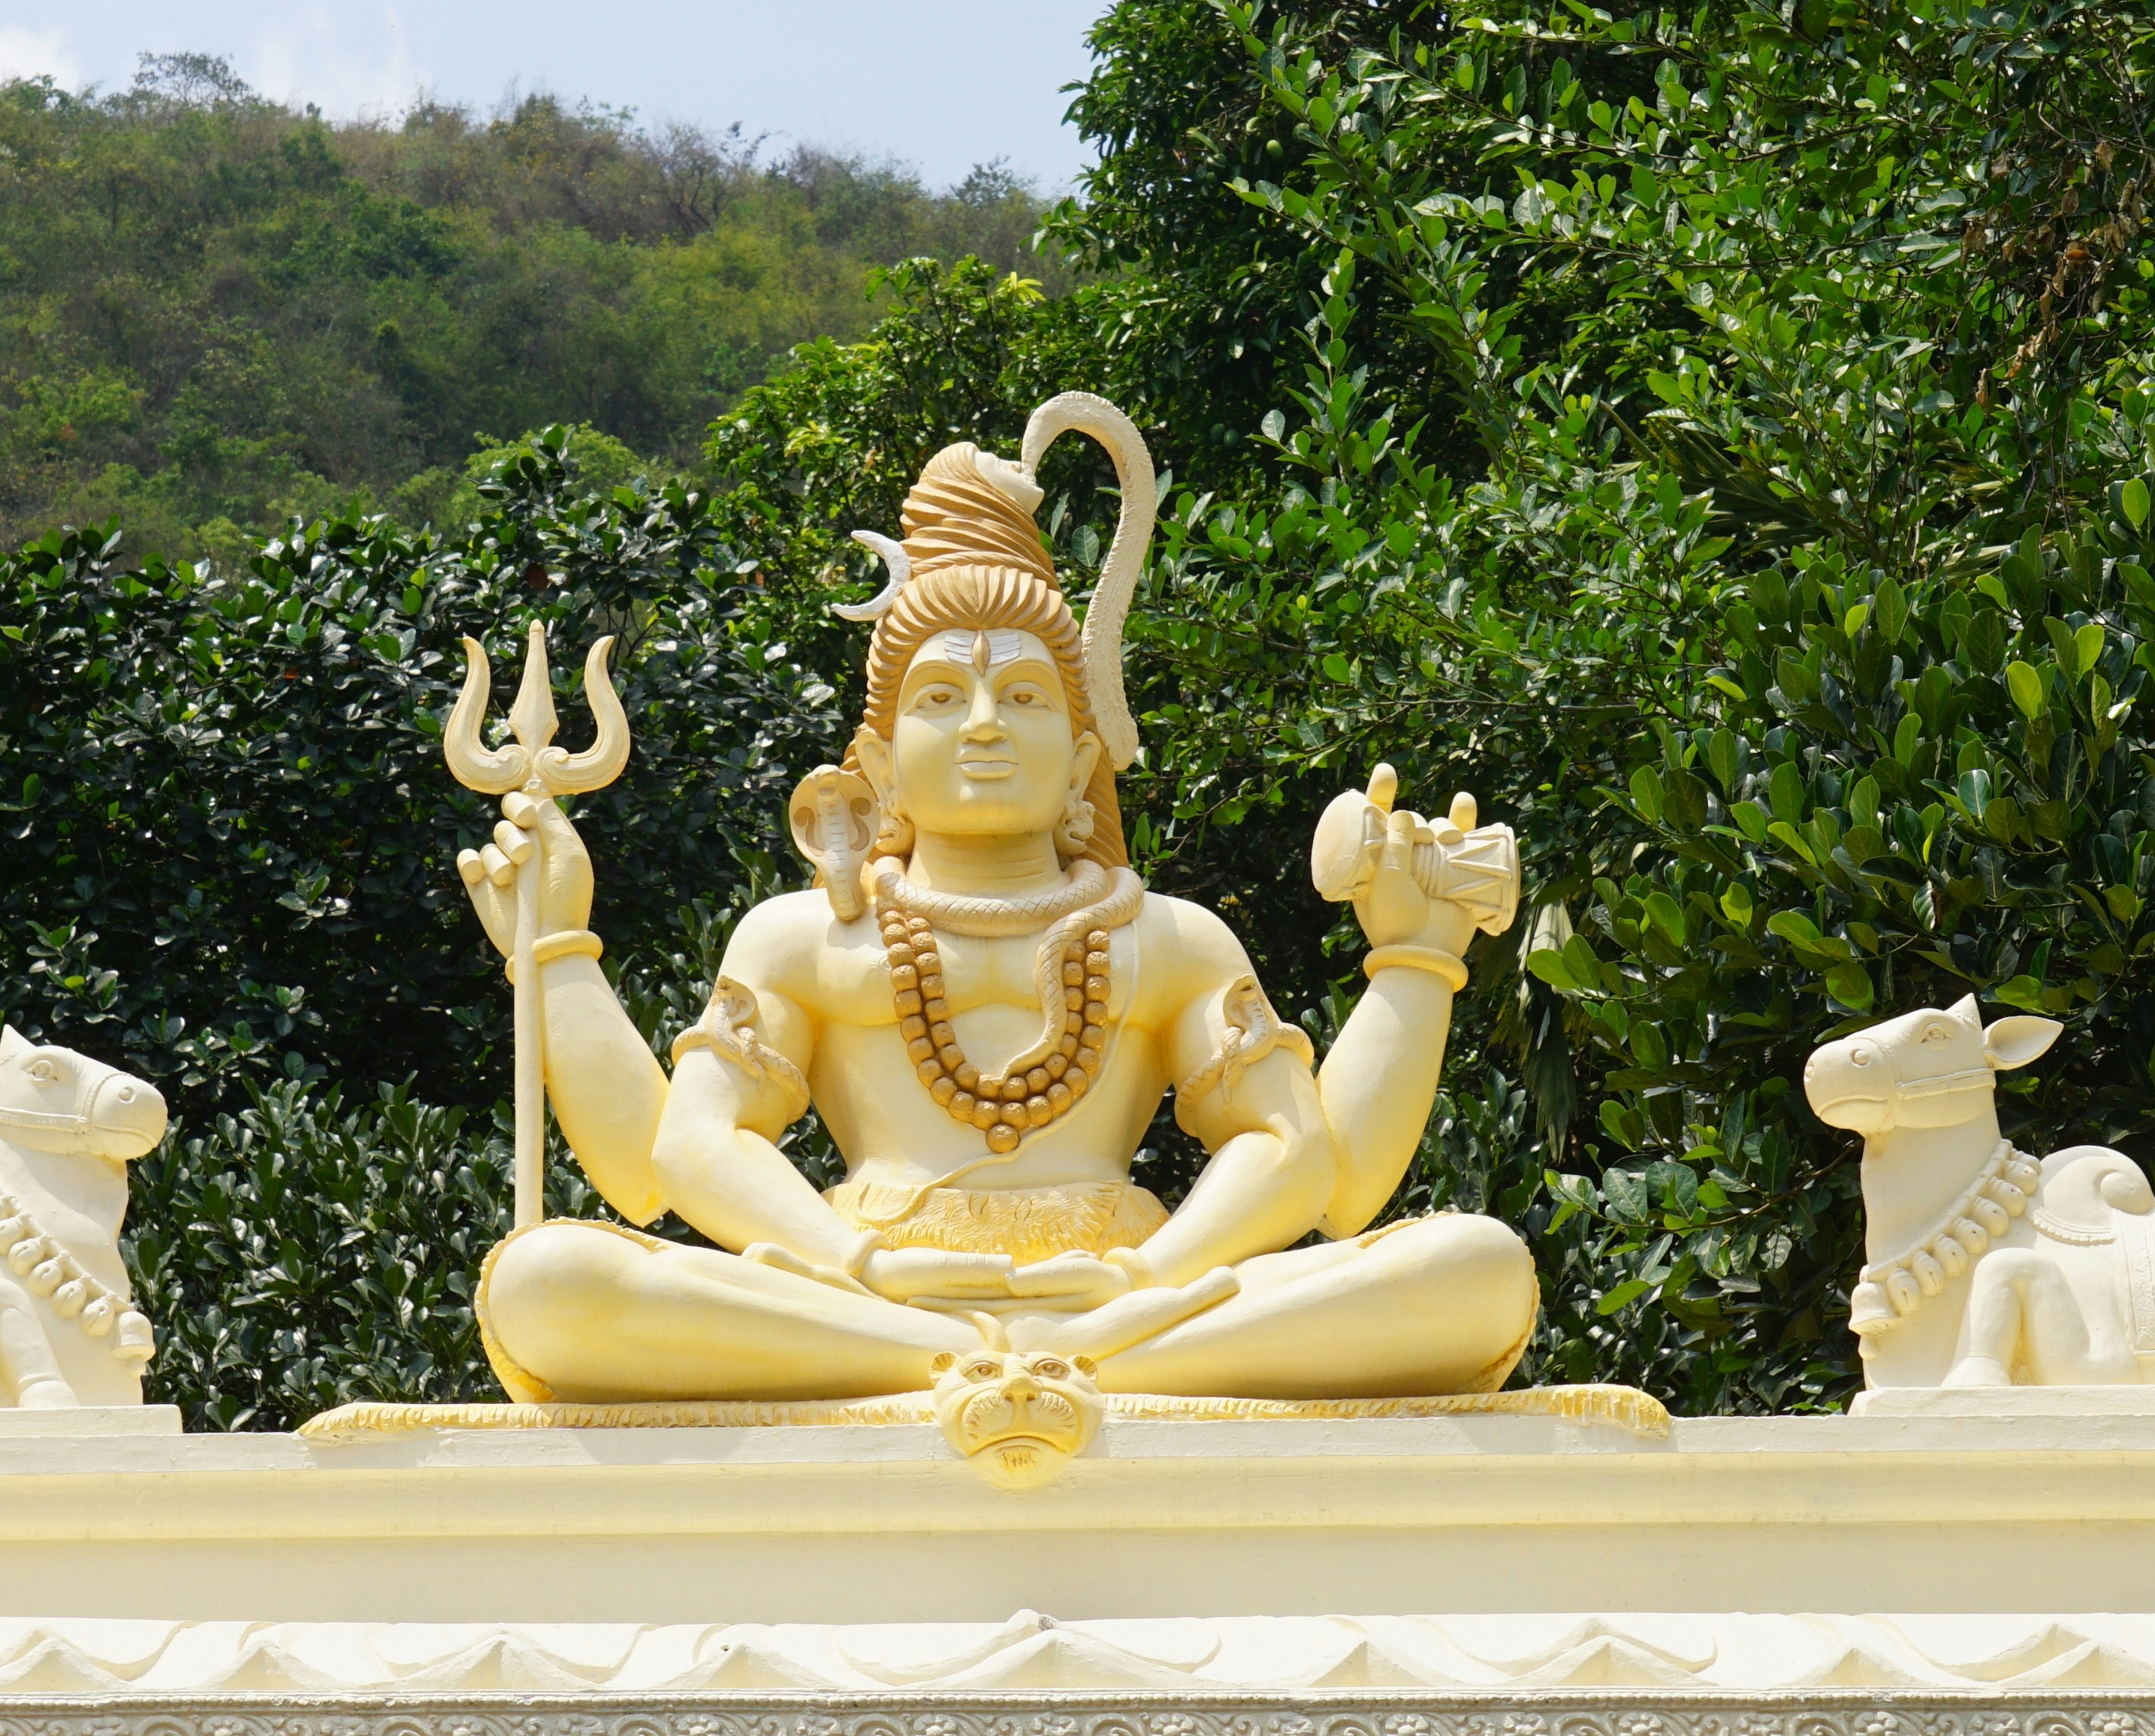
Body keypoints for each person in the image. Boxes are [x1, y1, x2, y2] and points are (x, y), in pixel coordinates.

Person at [457, 400, 1533, 1405]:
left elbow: (1308, 1165)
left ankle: (1036, 1362)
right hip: (862, 1292)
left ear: (1079, 764)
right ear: (875, 765)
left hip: (1129, 1298)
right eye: (940, 695)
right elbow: (676, 1161)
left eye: (1021, 695)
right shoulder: (802, 938)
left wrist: (1413, 958)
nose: (982, 723)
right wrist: (556, 950)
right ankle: (961, 1361)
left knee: (1475, 1269)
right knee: (547, 1281)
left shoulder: (1165, 938)